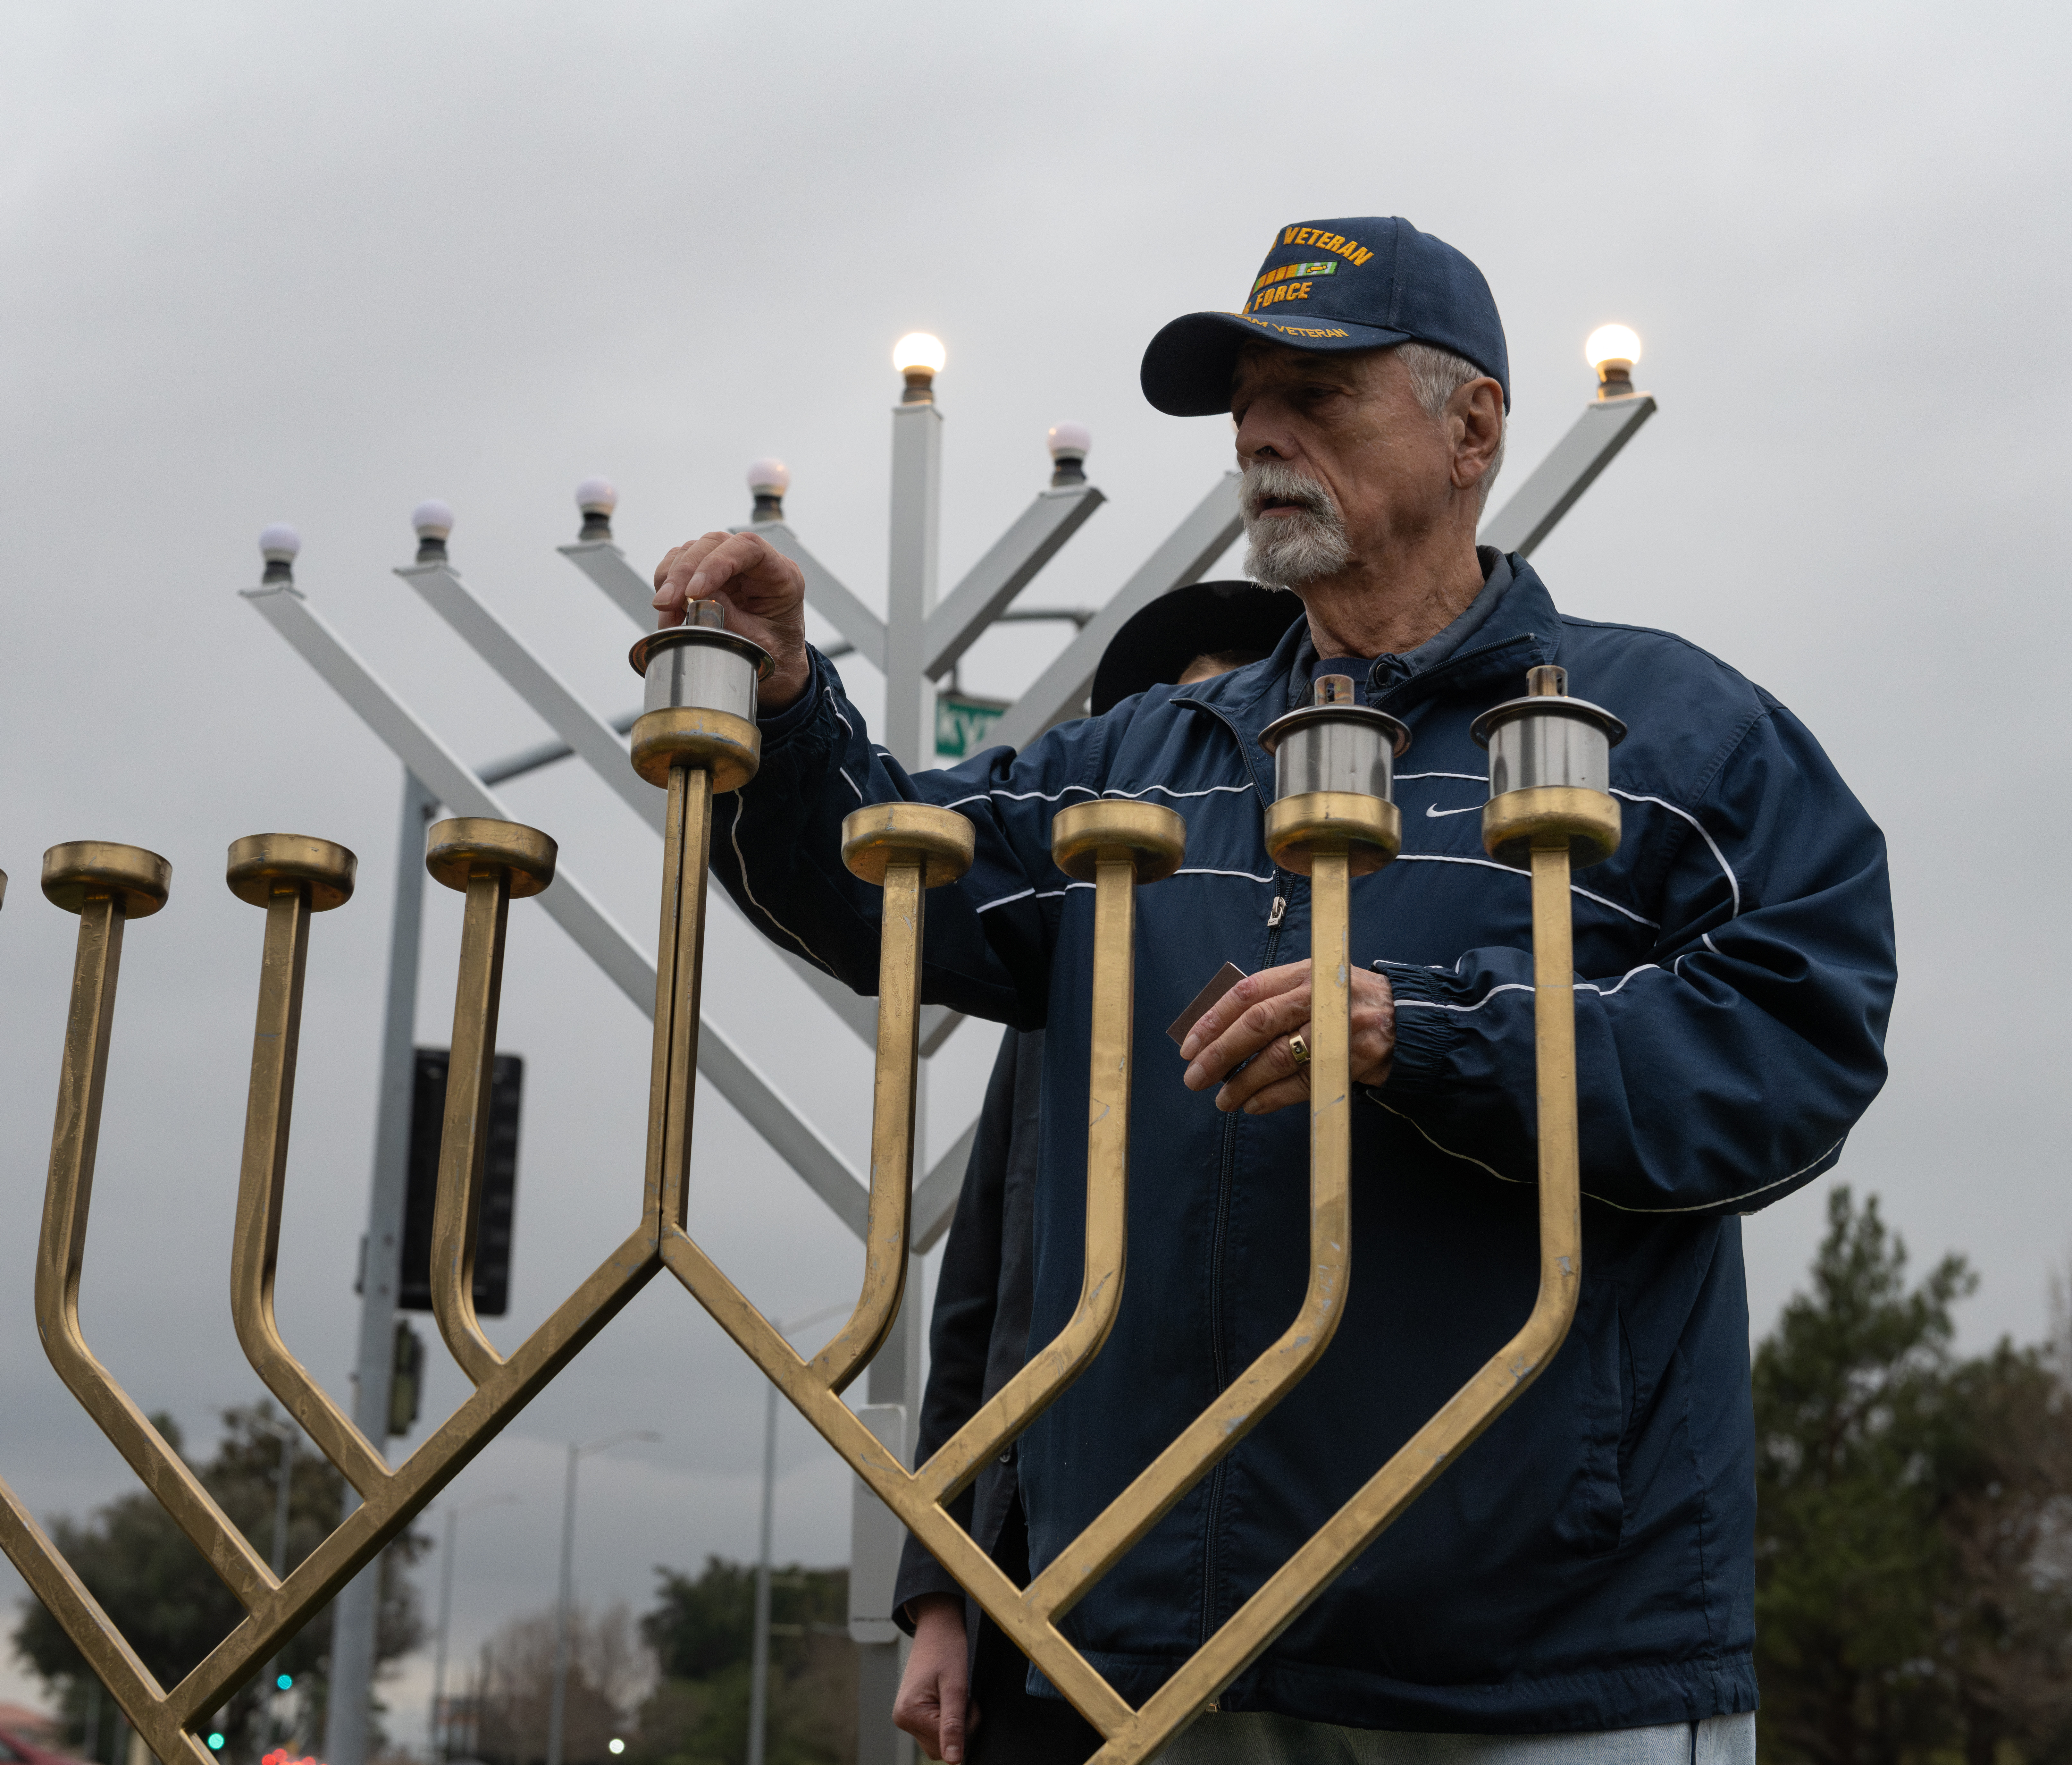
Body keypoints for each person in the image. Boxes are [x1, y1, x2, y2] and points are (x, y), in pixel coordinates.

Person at [651, 216, 1896, 1765]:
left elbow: (1799, 1038)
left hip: (1535, 1667)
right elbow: (889, 880)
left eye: (1316, 394)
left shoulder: (1664, 734)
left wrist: (1428, 1034)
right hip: (1156, 1661)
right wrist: (783, 711)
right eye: (1245, 404)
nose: (1260, 435)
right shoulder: (1143, 768)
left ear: (1474, 428)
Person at [893, 582, 1306, 1765]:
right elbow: (983, 1304)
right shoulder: (1059, 1004)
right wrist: (942, 1593)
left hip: (1286, 1541)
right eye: (1174, 734)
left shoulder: (1357, 986)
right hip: (1048, 1556)